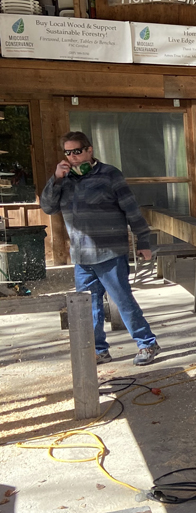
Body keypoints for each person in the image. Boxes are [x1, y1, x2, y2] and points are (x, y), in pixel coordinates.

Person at [40, 130, 160, 366]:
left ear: (89, 150)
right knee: (87, 307)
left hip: (110, 251)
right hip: (82, 255)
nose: (72, 156)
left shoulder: (110, 174)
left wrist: (143, 241)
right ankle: (98, 350)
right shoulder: (63, 180)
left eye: (77, 151)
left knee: (123, 301)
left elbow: (131, 209)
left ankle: (147, 343)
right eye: (68, 152)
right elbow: (48, 207)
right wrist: (56, 179)